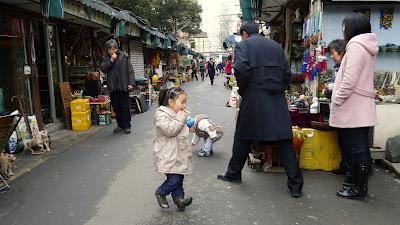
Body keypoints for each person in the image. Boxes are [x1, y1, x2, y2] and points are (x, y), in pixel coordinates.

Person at [217, 21, 303, 198]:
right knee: (284, 140)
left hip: (254, 95)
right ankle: (295, 185)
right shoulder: (276, 46)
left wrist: (244, 90)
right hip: (277, 97)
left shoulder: (243, 45)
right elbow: (287, 73)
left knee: (243, 136)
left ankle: (233, 174)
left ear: (244, 34)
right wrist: (280, 87)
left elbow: (240, 69)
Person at [330, 13, 377, 200]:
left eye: (344, 27)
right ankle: (359, 187)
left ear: (352, 28)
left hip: (353, 106)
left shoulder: (356, 46)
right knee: (361, 149)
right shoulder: (366, 46)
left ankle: (358, 189)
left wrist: (337, 99)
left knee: (357, 150)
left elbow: (349, 81)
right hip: (360, 106)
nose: (343, 31)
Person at [154, 87, 193, 211]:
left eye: (185, 102)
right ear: (171, 102)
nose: (184, 105)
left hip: (179, 153)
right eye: (182, 102)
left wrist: (195, 125)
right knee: (174, 179)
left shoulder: (178, 114)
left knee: (179, 178)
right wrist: (181, 118)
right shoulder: (161, 115)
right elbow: (171, 130)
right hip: (168, 154)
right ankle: (161, 192)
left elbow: (184, 129)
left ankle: (179, 199)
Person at [100, 39, 135, 134]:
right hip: (113, 87)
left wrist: (131, 83)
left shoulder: (124, 56)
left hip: (123, 85)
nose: (112, 51)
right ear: (107, 50)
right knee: (116, 107)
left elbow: (130, 71)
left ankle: (127, 125)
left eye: (114, 49)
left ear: (116, 48)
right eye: (110, 49)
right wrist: (111, 60)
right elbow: (103, 69)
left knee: (125, 106)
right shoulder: (106, 58)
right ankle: (120, 124)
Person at [326, 39, 347, 175]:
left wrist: (331, 90)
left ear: (341, 52)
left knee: (348, 141)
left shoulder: (346, 66)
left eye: (333, 53)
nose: (331, 56)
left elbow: (344, 85)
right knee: (342, 139)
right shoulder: (337, 67)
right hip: (340, 107)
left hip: (346, 109)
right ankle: (344, 165)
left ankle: (352, 170)